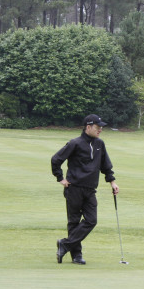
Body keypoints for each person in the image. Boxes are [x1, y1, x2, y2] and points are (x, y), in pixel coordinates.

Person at [51, 114, 119, 265]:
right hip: (74, 188)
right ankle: (77, 256)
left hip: (90, 190)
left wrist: (112, 182)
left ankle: (65, 244)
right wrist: (60, 178)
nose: (100, 129)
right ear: (88, 127)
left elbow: (105, 165)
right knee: (74, 222)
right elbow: (56, 159)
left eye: (101, 127)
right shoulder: (75, 143)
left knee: (91, 220)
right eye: (97, 127)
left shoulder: (100, 144)